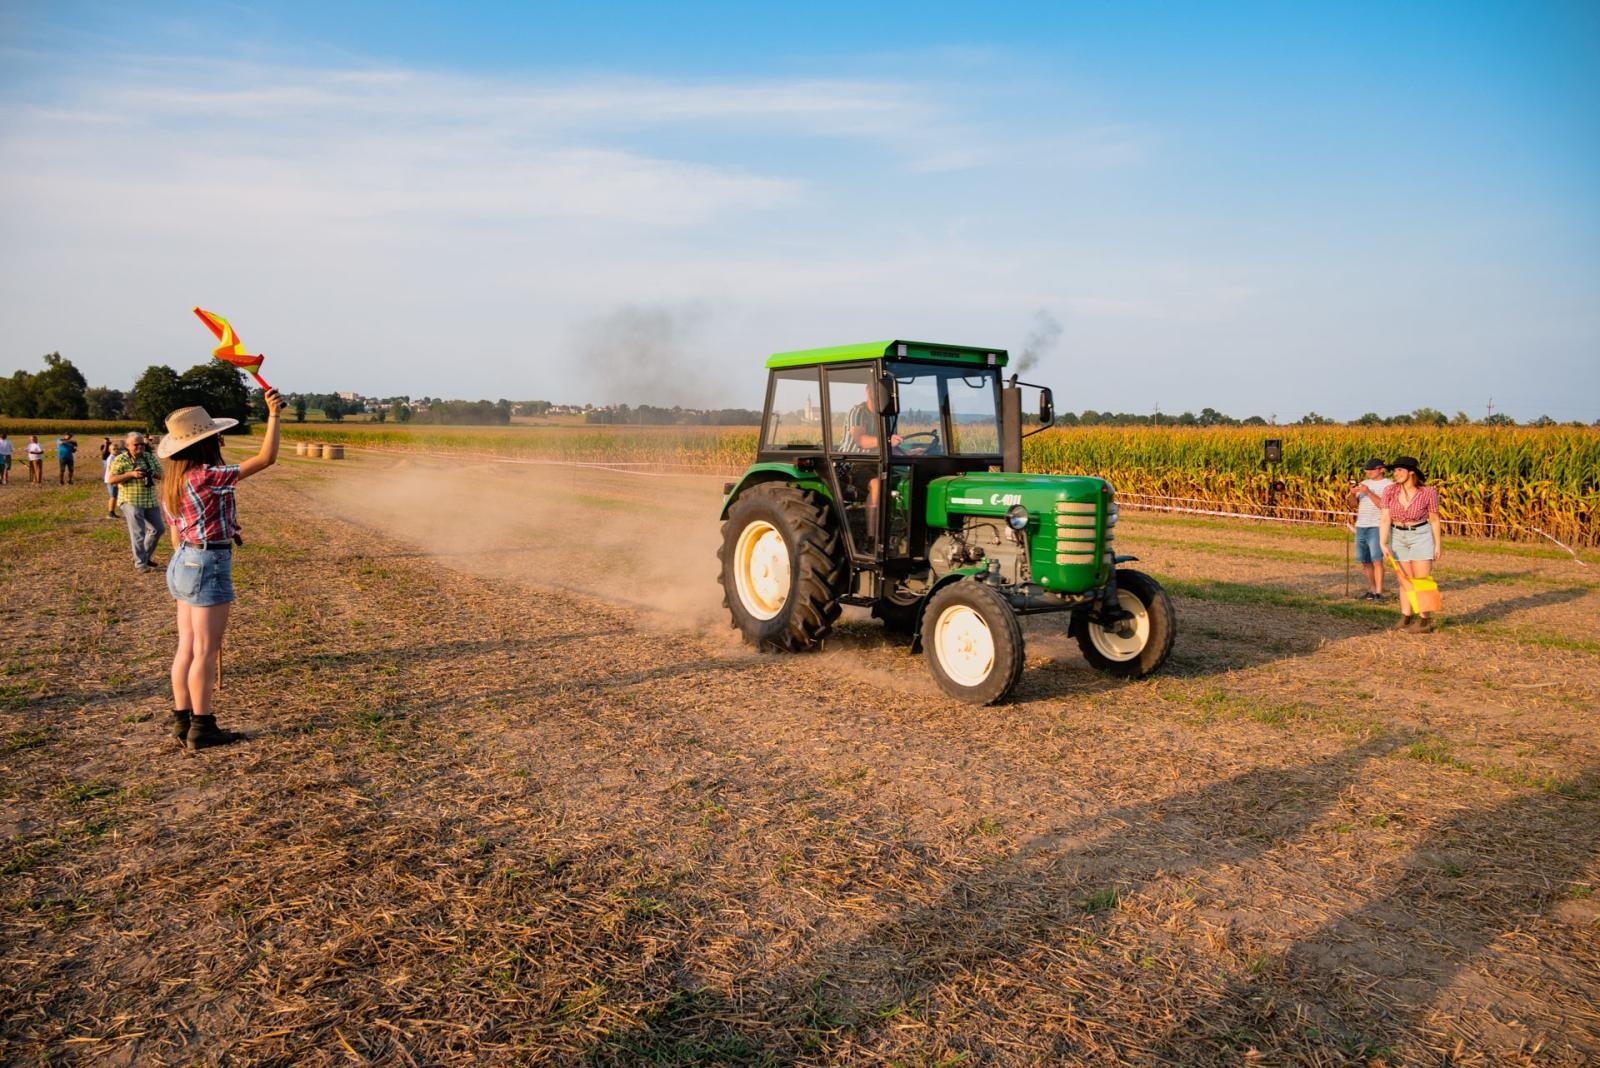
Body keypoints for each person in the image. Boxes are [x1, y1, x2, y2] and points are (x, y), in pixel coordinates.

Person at [158, 390, 284, 749]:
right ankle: (203, 727)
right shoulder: (207, 476)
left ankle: (182, 720)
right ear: (205, 442)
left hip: (183, 560)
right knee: (205, 652)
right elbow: (265, 458)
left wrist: (217, 530)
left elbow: (176, 531)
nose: (220, 440)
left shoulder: (172, 481)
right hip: (206, 562)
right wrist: (273, 415)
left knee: (186, 648)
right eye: (216, 436)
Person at [1379, 455, 1442, 632]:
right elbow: (1385, 518)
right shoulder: (1390, 491)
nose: (1395, 473)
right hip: (1398, 535)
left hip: (1420, 535)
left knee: (1421, 580)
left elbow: (1434, 519)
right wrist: (1382, 542)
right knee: (1403, 580)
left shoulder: (1428, 492)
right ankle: (1405, 616)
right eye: (1395, 470)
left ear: (1411, 473)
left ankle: (1424, 620)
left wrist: (1437, 545)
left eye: (1400, 470)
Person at [108, 432, 165, 571]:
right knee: (139, 532)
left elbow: (163, 475)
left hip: (149, 499)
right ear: (127, 446)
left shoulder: (149, 457)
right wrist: (131, 474)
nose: (140, 446)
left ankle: (144, 557)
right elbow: (111, 480)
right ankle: (140, 564)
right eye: (136, 444)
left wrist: (152, 473)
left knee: (158, 529)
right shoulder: (120, 459)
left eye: (142, 444)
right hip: (130, 500)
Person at [1348, 458, 1392, 601]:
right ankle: (1371, 589)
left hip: (1377, 526)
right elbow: (1353, 505)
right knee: (1365, 561)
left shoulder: (1389, 485)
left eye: (1371, 470)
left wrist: (1368, 493)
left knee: (1377, 560)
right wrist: (1353, 494)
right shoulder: (1364, 484)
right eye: (1367, 470)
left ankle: (1379, 592)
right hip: (1361, 525)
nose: (1368, 472)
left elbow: (1383, 506)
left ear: (1381, 469)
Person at [102, 441, 125, 518]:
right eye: (113, 449)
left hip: (115, 479)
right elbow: (111, 470)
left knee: (115, 496)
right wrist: (114, 480)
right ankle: (111, 513)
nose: (116, 450)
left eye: (117, 449)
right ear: (110, 450)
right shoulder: (111, 458)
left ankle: (113, 512)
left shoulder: (117, 457)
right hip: (111, 480)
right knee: (113, 496)